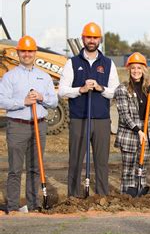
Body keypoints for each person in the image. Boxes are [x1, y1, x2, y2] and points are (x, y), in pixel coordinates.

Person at [58, 22, 120, 197]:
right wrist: (81, 90)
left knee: (101, 161)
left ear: (99, 39)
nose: (91, 40)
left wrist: (100, 88)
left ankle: (102, 196)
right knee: (76, 159)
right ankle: (74, 196)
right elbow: (62, 90)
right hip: (79, 118)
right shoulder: (72, 62)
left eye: (95, 37)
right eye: (88, 37)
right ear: (83, 38)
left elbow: (115, 92)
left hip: (101, 119)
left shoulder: (108, 64)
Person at [0, 36, 58, 212]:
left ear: (35, 53)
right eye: (23, 51)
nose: (27, 54)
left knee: (35, 167)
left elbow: (54, 102)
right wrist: (23, 101)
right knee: (15, 169)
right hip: (17, 125)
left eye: (30, 51)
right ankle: (12, 206)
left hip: (38, 125)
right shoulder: (10, 77)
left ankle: (34, 205)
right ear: (18, 52)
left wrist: (41, 97)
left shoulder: (44, 77)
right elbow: (2, 101)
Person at [114, 52, 150, 194]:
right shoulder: (122, 89)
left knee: (142, 168)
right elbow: (124, 114)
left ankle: (140, 196)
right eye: (133, 68)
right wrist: (138, 131)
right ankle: (126, 197)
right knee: (128, 170)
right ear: (128, 69)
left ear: (144, 69)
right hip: (130, 133)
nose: (136, 71)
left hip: (147, 133)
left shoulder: (148, 89)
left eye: (139, 68)